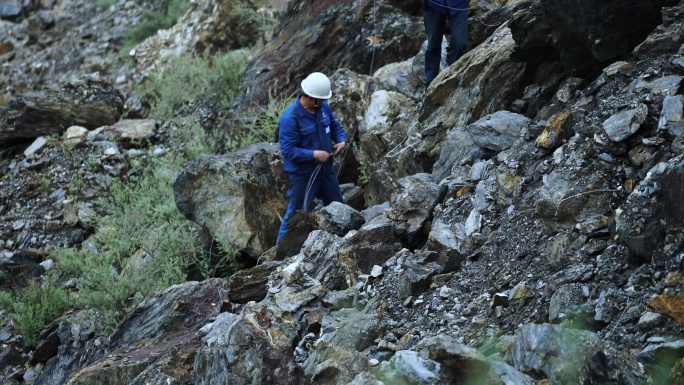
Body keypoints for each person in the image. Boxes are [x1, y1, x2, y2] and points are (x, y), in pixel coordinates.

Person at [276, 72, 347, 244]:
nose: (323, 103)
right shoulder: (290, 118)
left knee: (338, 207)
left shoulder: (323, 108)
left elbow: (335, 126)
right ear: (310, 97)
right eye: (320, 100)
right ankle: (280, 253)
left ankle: (345, 242)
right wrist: (314, 154)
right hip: (303, 176)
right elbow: (288, 151)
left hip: (326, 171)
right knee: (296, 214)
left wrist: (341, 141)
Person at [424, 0, 470, 88]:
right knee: (433, 46)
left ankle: (453, 83)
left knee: (459, 44)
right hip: (433, 4)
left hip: (459, 4)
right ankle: (429, 87)